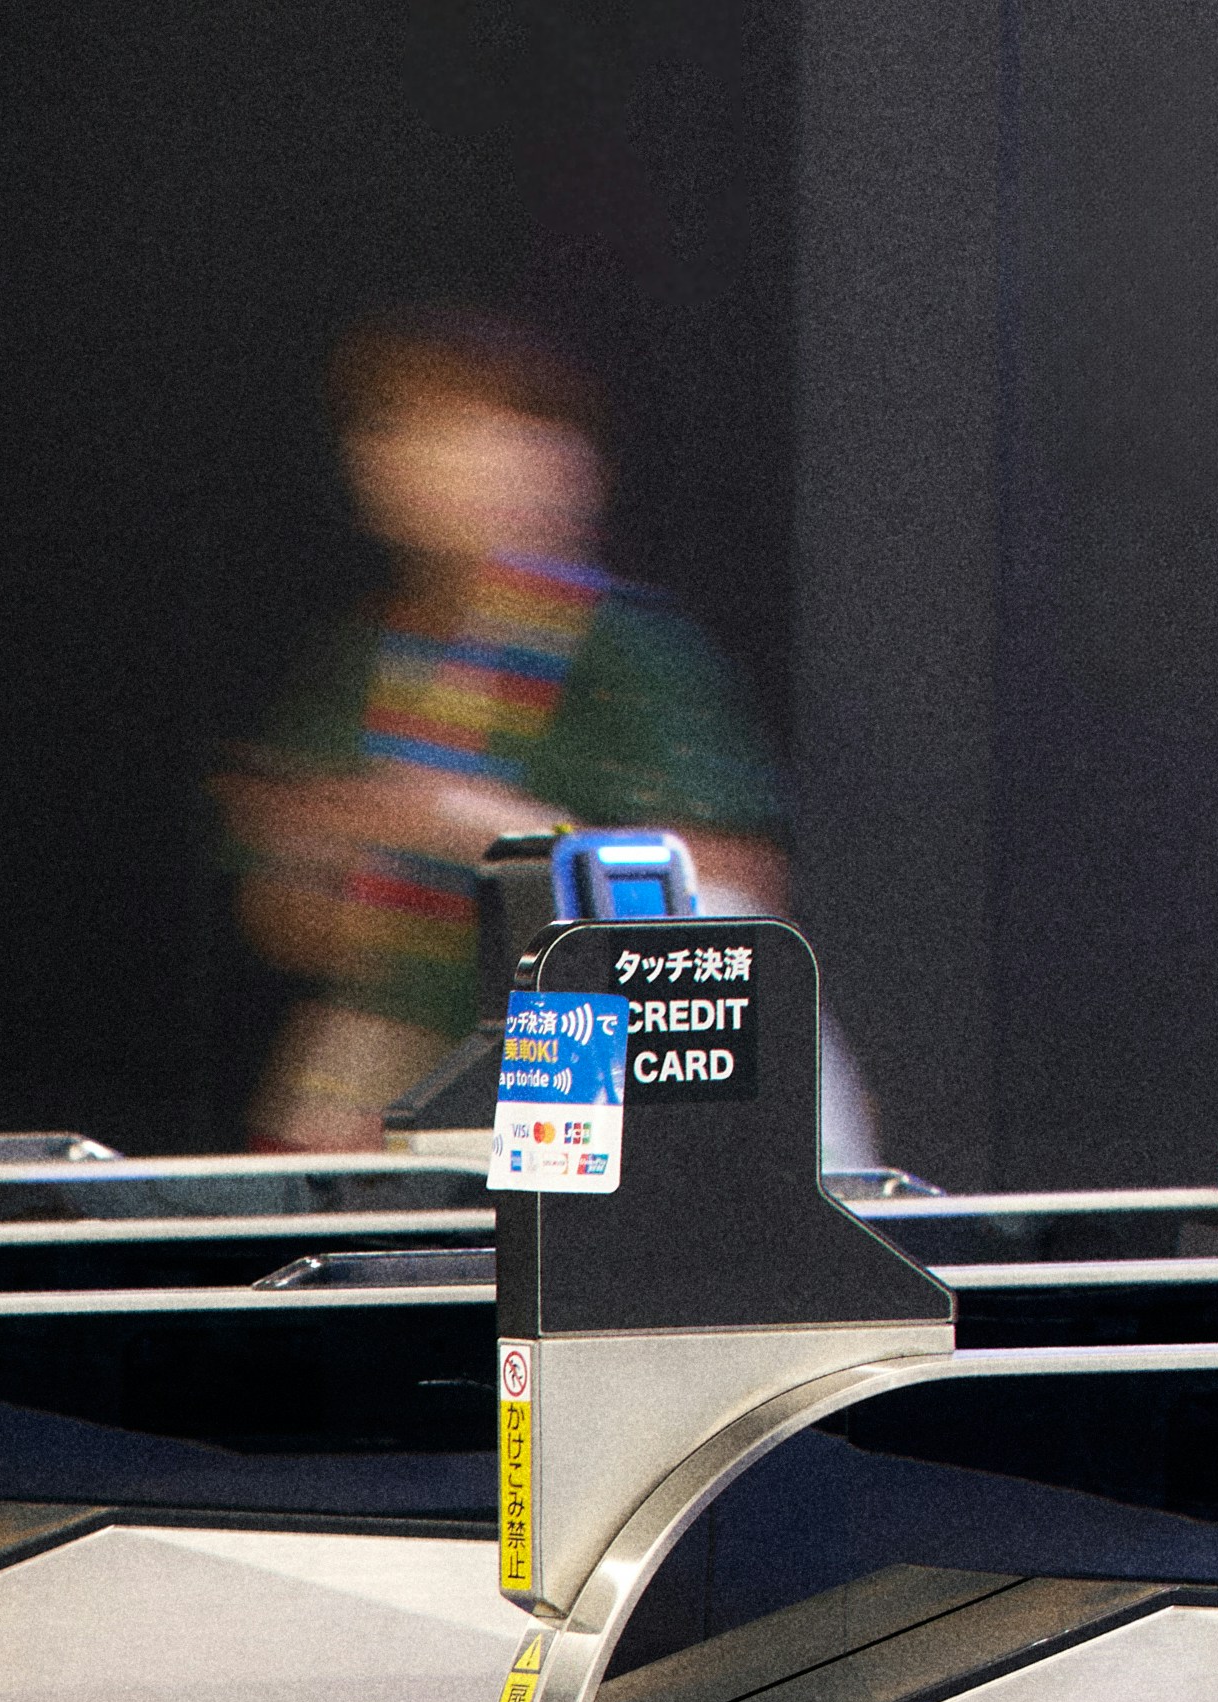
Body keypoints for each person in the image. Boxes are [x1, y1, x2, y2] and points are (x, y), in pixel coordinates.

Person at [219, 309, 791, 1150]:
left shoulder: (624, 653)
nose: (436, 462)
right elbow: (289, 915)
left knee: (546, 1214)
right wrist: (314, 861)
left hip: (574, 1033)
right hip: (391, 1047)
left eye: (476, 430)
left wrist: (481, 827)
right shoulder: (372, 655)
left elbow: (732, 892)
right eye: (399, 430)